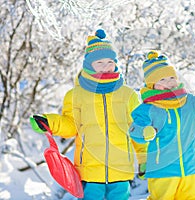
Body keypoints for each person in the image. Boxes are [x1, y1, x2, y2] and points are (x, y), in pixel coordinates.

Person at [29, 29, 147, 200]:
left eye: (110, 61)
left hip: (121, 169)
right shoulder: (76, 95)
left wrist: (144, 158)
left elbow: (137, 130)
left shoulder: (128, 95)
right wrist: (50, 122)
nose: (106, 66)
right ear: (88, 65)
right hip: (89, 171)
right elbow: (70, 125)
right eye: (99, 62)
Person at [129, 50, 195, 199]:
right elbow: (134, 130)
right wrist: (144, 132)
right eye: (163, 79)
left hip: (191, 167)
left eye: (172, 77)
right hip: (164, 170)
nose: (169, 82)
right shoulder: (148, 109)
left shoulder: (188, 103)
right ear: (152, 84)